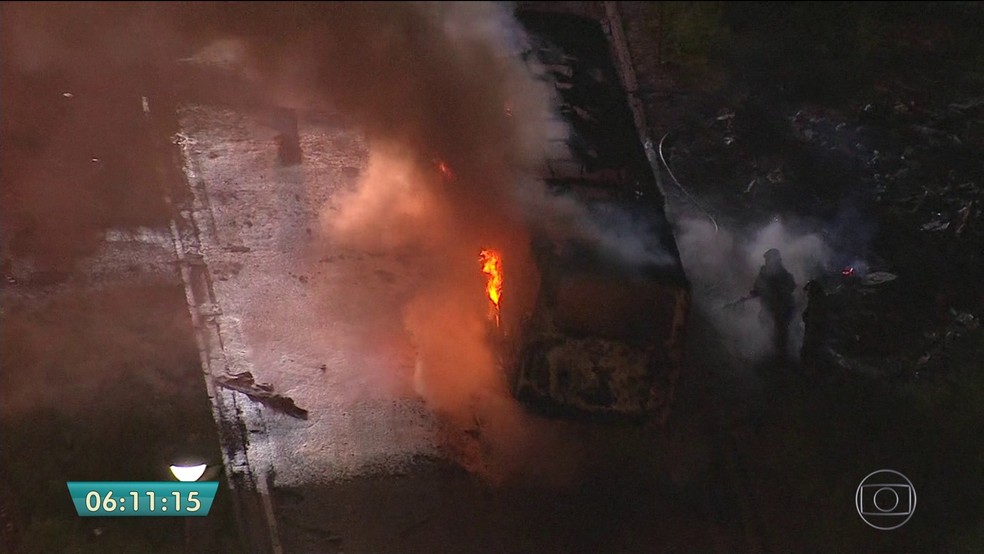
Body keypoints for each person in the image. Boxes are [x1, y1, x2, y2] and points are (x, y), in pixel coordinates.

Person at [750, 248, 796, 358]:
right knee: (767, 323)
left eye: (767, 259)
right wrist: (757, 291)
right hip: (772, 306)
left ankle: (780, 355)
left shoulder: (783, 274)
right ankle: (774, 351)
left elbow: (790, 286)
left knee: (780, 331)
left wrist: (776, 291)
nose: (766, 261)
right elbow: (758, 285)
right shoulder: (766, 271)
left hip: (783, 307)